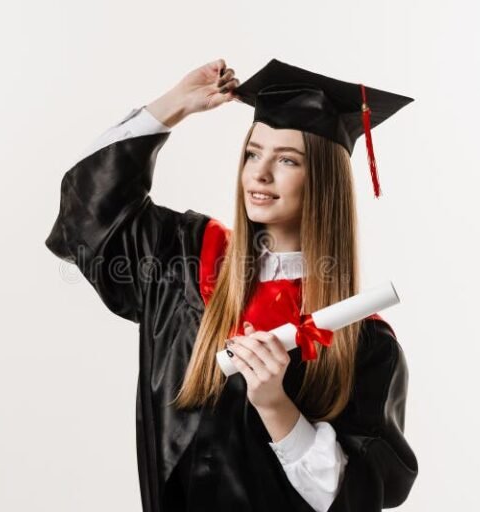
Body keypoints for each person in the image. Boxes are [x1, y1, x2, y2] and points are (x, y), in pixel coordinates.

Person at [45, 58, 418, 512]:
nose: (259, 174)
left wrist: (276, 406)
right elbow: (85, 217)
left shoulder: (362, 340)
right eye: (253, 153)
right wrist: (172, 106)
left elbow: (356, 496)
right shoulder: (184, 258)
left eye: (287, 160)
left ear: (324, 181)